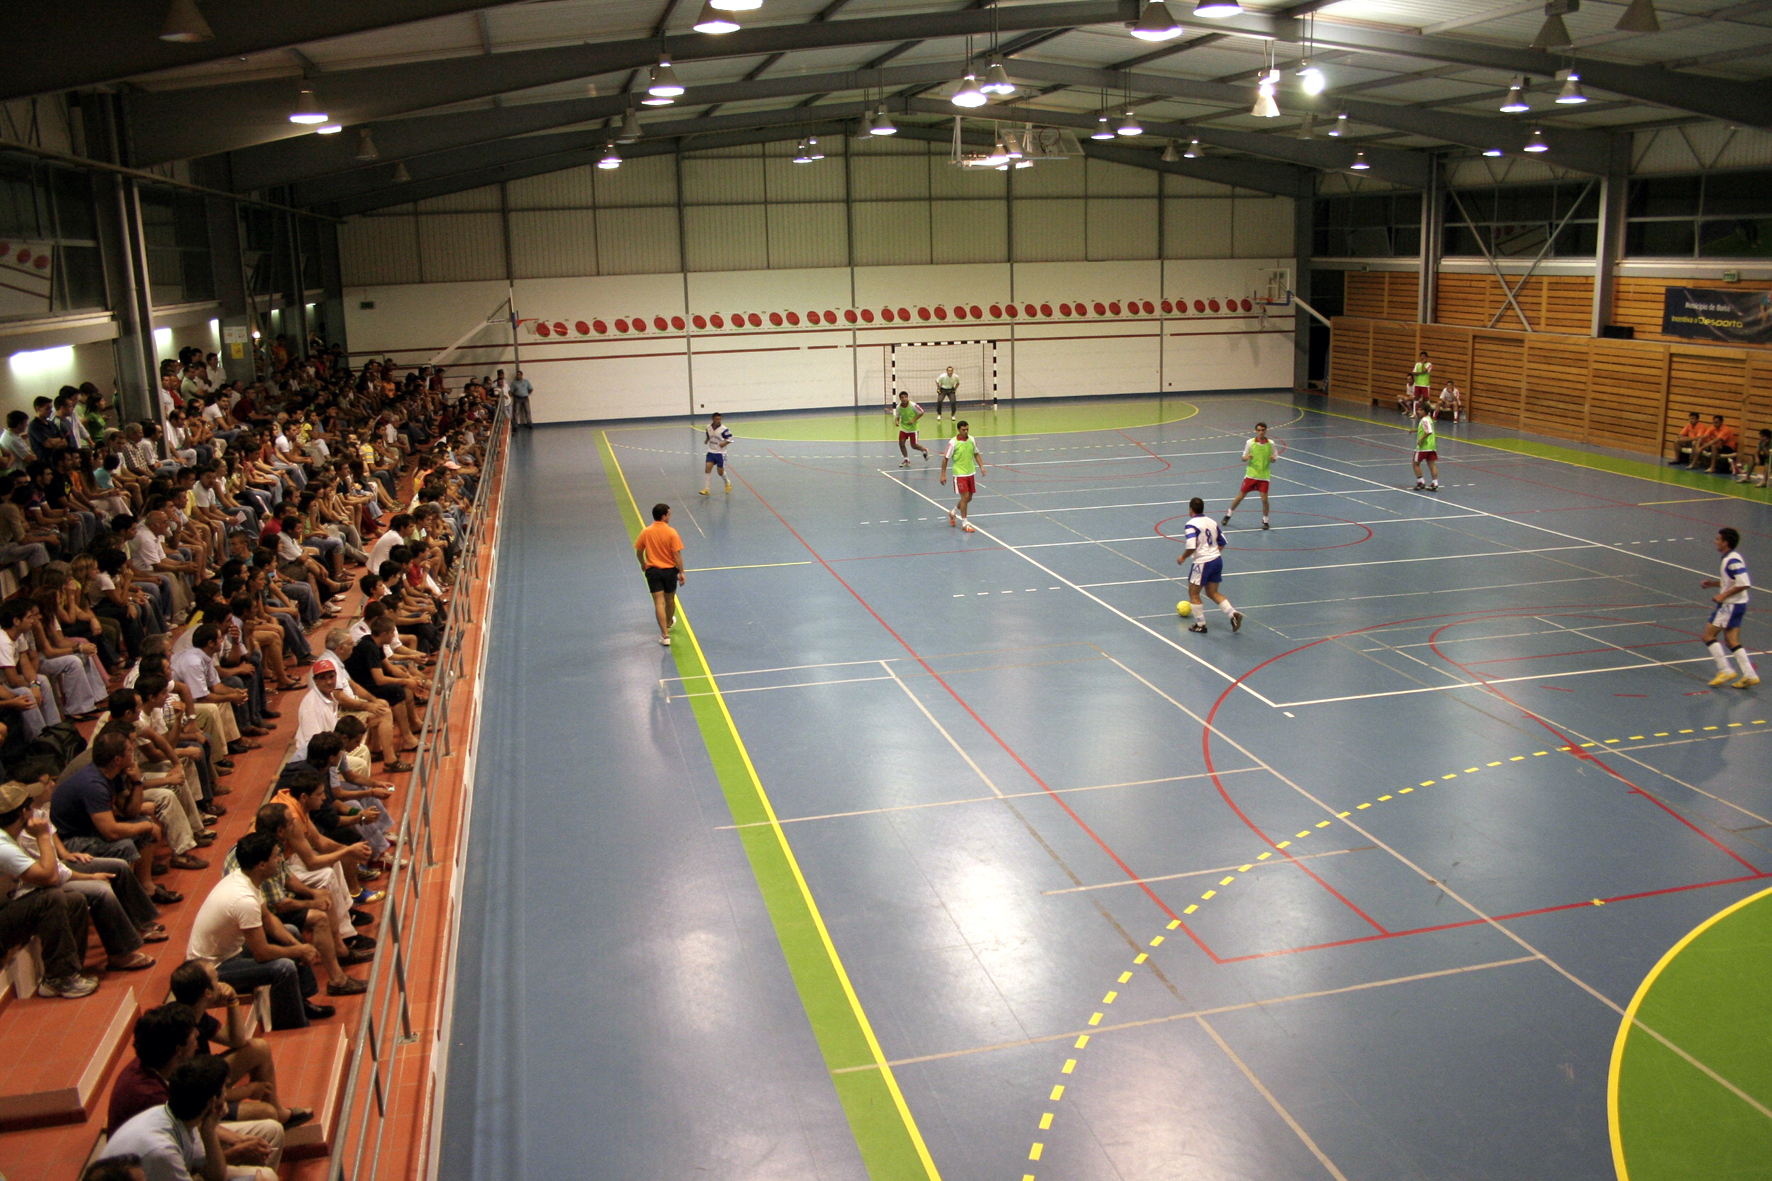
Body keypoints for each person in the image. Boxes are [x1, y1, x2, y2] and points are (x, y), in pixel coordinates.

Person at [105, 1004, 285, 1170]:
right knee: (261, 1158)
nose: (198, 1043)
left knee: (271, 1130)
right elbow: (193, 1164)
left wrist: (239, 1139)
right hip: (157, 1167)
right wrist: (237, 1151)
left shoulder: (158, 1062)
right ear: (178, 1050)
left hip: (193, 1137)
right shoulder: (150, 1097)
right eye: (193, 1038)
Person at [186, 831, 331, 1029]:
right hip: (214, 966)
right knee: (283, 968)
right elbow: (262, 954)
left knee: (291, 931)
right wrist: (299, 951)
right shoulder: (243, 899)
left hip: (228, 951)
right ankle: (291, 1024)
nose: (280, 859)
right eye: (276, 856)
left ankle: (302, 1001)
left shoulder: (245, 879)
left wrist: (299, 946)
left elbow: (269, 919)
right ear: (262, 864)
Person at [98, 1055, 277, 1181]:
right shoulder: (162, 1151)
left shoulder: (182, 1118)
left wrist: (208, 1130)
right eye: (224, 1090)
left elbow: (214, 1175)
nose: (227, 1096)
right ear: (212, 1101)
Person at [0, 778, 99, 998]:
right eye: (30, 807)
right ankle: (59, 979)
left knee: (74, 900)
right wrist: (44, 835)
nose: (35, 811)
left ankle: (71, 971)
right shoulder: (3, 847)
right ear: (23, 813)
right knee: (50, 898)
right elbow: (50, 877)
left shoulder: (8, 838)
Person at [1701, 526, 1758, 689]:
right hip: (1737, 604)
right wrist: (1713, 584)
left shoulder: (1732, 560)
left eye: (1718, 539)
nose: (1715, 542)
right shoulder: (1729, 558)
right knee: (1732, 641)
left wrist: (1722, 596)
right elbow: (1732, 581)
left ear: (1725, 543)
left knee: (1708, 636)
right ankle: (1750, 675)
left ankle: (1725, 670)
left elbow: (1744, 583)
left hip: (1731, 605)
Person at [1175, 496, 1242, 634]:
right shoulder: (1212, 522)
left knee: (1193, 593)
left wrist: (1183, 557)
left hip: (1202, 562)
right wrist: (1213, 554)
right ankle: (1233, 614)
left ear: (1191, 509)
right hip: (1217, 560)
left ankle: (1201, 624)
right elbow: (1222, 542)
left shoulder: (1191, 525)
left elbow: (1191, 545)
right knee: (1212, 592)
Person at [634, 502, 685, 647]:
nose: (670, 516)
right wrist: (681, 572)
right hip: (669, 571)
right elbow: (676, 554)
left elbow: (638, 551)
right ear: (663, 517)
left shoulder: (646, 532)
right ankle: (668, 622)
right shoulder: (672, 532)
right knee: (670, 600)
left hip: (653, 571)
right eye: (669, 514)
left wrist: (643, 563)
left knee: (658, 602)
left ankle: (665, 635)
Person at [1221, 421, 1275, 531]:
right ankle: (1228, 514)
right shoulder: (1250, 442)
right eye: (1259, 430)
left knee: (1264, 500)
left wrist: (1273, 459)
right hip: (1251, 475)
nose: (1261, 432)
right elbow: (1243, 457)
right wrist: (1247, 457)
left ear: (1266, 431)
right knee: (1240, 496)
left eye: (1263, 430)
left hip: (1264, 477)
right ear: (1256, 431)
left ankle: (1265, 520)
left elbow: (1274, 457)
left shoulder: (1271, 444)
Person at [940, 420, 981, 533]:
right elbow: (945, 459)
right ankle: (965, 523)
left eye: (967, 429)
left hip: (970, 472)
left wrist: (981, 467)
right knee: (965, 496)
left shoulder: (972, 439)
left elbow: (976, 453)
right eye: (963, 430)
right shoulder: (953, 443)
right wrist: (943, 474)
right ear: (958, 430)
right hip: (959, 474)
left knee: (968, 498)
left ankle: (953, 512)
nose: (966, 431)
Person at [699, 413, 732, 496]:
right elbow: (708, 435)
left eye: (719, 419)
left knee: (720, 472)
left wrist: (724, 444)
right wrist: (707, 440)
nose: (718, 420)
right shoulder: (708, 427)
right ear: (713, 419)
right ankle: (706, 489)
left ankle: (727, 482)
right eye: (716, 419)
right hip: (711, 452)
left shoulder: (724, 429)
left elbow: (730, 438)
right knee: (707, 469)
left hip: (720, 453)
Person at [894, 391, 928, 467]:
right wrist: (897, 422)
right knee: (901, 444)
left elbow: (921, 412)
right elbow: (897, 417)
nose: (904, 399)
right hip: (904, 428)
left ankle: (924, 450)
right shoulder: (898, 407)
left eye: (905, 397)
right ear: (900, 398)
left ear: (907, 397)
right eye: (902, 397)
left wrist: (913, 420)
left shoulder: (913, 405)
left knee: (913, 445)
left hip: (913, 429)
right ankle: (906, 460)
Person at [1411, 403, 1440, 492]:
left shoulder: (1424, 420)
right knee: (1431, 464)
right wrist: (1416, 430)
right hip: (1431, 446)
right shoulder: (1429, 419)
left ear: (1426, 411)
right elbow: (1426, 429)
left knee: (1415, 463)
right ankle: (1435, 483)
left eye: (1421, 410)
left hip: (1423, 446)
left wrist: (1421, 439)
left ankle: (1421, 482)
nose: (1419, 411)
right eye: (1418, 409)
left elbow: (1429, 431)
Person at [1406, 351, 1432, 417]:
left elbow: (1425, 371)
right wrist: (1421, 373)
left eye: (1424, 356)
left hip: (1425, 384)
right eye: (1421, 356)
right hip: (1417, 384)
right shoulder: (1417, 364)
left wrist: (1423, 364)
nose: (1422, 357)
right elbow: (1413, 373)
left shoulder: (1429, 364)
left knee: (1426, 399)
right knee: (1416, 398)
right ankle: (1415, 413)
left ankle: (1428, 413)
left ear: (1426, 357)